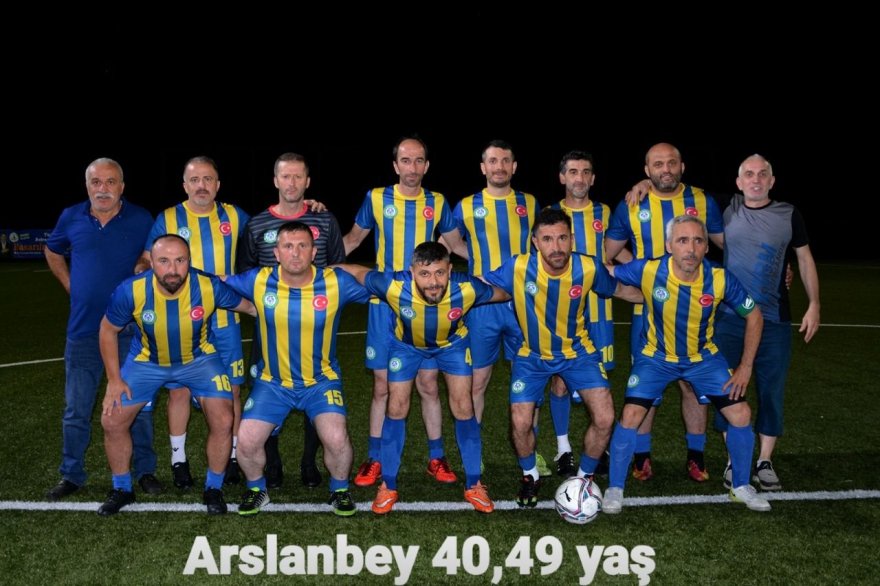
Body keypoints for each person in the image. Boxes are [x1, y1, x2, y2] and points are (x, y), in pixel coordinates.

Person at [603, 215, 771, 513]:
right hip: (655, 358)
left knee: (741, 413)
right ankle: (615, 489)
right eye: (682, 240)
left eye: (697, 241)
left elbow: (754, 315)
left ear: (706, 247)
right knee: (630, 414)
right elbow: (607, 272)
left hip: (703, 360)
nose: (690, 249)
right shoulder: (649, 269)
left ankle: (741, 486)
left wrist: (745, 367)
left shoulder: (720, 278)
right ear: (669, 246)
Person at [484, 208, 642, 506]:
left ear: (571, 238)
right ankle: (530, 475)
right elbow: (481, 285)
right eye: (547, 239)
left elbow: (620, 290)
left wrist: (656, 296)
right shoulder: (519, 267)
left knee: (605, 418)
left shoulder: (588, 267)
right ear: (535, 242)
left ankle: (583, 479)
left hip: (578, 353)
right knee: (520, 422)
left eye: (562, 238)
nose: (556, 247)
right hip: (532, 356)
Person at [337, 241, 506, 514]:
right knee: (396, 406)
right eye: (425, 274)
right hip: (406, 347)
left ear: (450, 270)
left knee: (464, 406)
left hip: (452, 346)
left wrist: (525, 287)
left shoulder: (467, 288)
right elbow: (356, 271)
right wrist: (319, 271)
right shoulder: (394, 285)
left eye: (440, 273)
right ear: (412, 271)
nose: (433, 282)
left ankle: (474, 484)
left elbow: (502, 292)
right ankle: (388, 485)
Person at [97, 235, 255, 515]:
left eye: (180, 260)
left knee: (224, 418)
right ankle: (122, 488)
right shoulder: (131, 290)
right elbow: (108, 330)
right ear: (151, 263)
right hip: (147, 362)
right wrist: (114, 380)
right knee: (112, 420)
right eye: (164, 261)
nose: (172, 269)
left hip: (199, 361)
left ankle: (213, 488)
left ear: (189, 261)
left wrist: (288, 308)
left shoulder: (207, 286)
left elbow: (251, 307)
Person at [343, 135, 466, 488]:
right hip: (385, 306)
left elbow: (455, 245)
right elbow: (353, 239)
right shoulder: (376, 198)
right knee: (382, 386)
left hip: (425, 307)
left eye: (419, 160)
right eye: (406, 160)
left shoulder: (437, 201)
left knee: (428, 384)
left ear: (427, 166)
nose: (413, 167)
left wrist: (497, 264)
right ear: (395, 165)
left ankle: (436, 457)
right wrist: (317, 266)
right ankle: (375, 459)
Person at [224, 222, 370, 516]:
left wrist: (354, 268)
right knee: (247, 441)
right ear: (276, 253)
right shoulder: (258, 279)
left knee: (337, 439)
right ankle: (257, 489)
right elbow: (216, 283)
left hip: (321, 382)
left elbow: (381, 288)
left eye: (303, 246)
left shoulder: (335, 282)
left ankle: (339, 490)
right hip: (272, 383)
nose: (295, 252)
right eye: (288, 246)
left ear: (314, 252)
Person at [605, 142, 724, 483]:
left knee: (693, 387)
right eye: (658, 164)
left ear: (682, 166)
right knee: (647, 392)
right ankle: (642, 458)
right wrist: (642, 275)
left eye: (672, 162)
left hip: (695, 311)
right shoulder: (633, 203)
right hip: (649, 313)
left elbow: (726, 244)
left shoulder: (702, 201)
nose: (666, 169)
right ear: (647, 171)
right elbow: (608, 251)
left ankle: (696, 457)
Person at [44, 157, 160, 501]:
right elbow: (52, 251)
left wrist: (142, 262)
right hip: (83, 332)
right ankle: (72, 474)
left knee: (137, 407)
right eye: (96, 182)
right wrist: (70, 285)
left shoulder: (141, 218)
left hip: (129, 332)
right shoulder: (71, 216)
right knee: (76, 409)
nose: (103, 189)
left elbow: (151, 254)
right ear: (87, 186)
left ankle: (145, 471)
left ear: (122, 187)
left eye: (110, 182)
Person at [237, 152, 346, 490]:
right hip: (272, 325)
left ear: (307, 181)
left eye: (298, 176)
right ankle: (273, 465)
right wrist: (256, 308)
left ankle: (309, 463)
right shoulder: (257, 224)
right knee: (266, 389)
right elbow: (245, 272)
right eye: (286, 176)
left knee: (316, 390)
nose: (292, 183)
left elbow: (338, 266)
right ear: (275, 181)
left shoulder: (324, 219)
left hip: (316, 323)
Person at [140, 156, 249, 490]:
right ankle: (179, 460)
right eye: (195, 180)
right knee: (180, 390)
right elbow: (147, 260)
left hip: (225, 319)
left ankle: (233, 458)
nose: (202, 186)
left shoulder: (234, 215)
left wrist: (307, 206)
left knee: (232, 389)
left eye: (208, 179)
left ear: (218, 184)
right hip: (181, 322)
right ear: (184, 185)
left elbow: (268, 232)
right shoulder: (168, 218)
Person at [714, 154, 820, 491]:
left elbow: (804, 258)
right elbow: (680, 194)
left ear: (772, 181)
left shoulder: (789, 214)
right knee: (727, 388)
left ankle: (764, 461)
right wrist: (643, 184)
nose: (756, 179)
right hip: (731, 318)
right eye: (749, 174)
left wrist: (814, 304)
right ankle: (734, 461)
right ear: (739, 181)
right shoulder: (725, 207)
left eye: (762, 174)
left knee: (771, 391)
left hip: (774, 319)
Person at [451, 139, 551, 474]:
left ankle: (531, 451)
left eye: (505, 161)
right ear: (483, 167)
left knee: (531, 381)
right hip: (482, 307)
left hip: (523, 304)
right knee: (477, 381)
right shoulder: (467, 205)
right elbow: (450, 242)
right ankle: (473, 454)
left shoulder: (530, 203)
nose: (499, 167)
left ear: (514, 166)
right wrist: (478, 263)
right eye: (493, 161)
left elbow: (543, 243)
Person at [548, 150, 633, 476]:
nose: (579, 178)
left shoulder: (604, 212)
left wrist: (649, 273)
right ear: (562, 177)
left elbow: (614, 251)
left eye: (585, 172)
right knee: (560, 381)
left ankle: (599, 447)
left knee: (598, 379)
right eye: (573, 172)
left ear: (593, 178)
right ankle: (563, 449)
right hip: (563, 313)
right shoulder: (550, 213)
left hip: (599, 310)